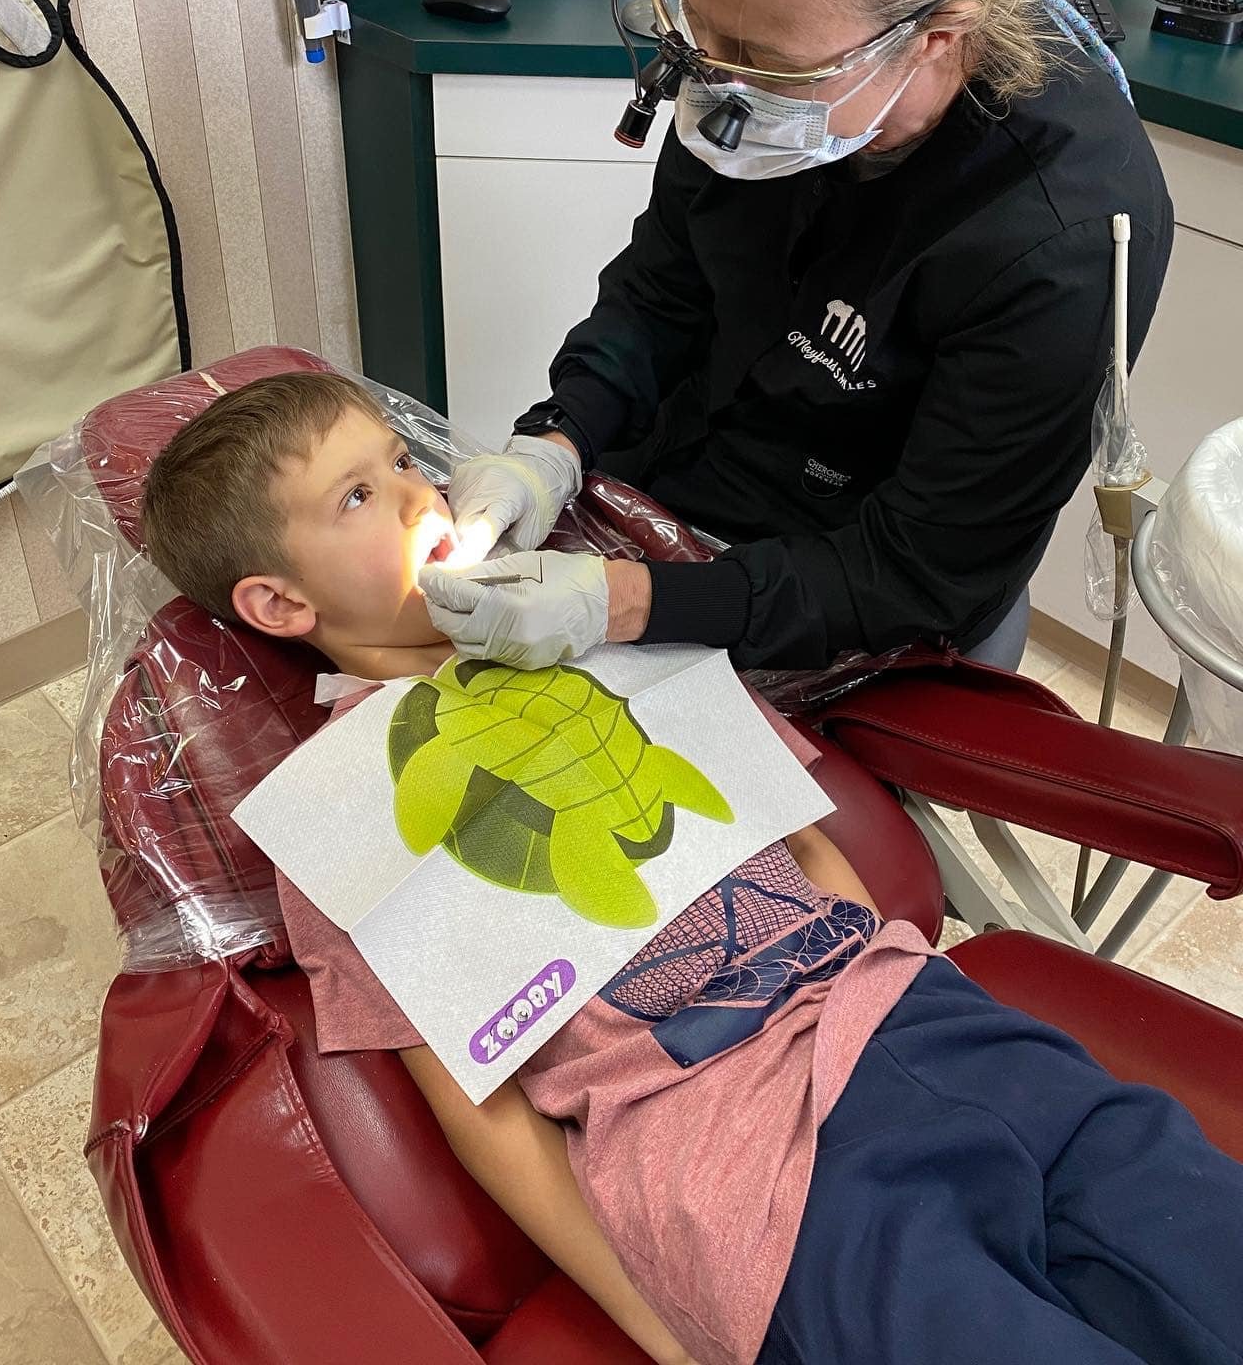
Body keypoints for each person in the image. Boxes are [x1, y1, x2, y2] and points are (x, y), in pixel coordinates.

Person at [141, 371, 1243, 1365]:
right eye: (357, 497)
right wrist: (655, 1323)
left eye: (400, 461)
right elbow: (482, 1110)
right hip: (760, 1181)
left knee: (1195, 1229)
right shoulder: (345, 815)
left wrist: (885, 981)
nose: (421, 496)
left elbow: (803, 839)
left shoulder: (603, 624)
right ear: (282, 606)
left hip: (938, 1030)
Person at [418, 0, 1173, 680]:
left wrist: (629, 602)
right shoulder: (753, 66)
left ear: (937, 37)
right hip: (693, 476)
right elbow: (665, 289)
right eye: (699, 19)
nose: (715, 80)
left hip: (855, 588)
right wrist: (557, 440)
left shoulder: (1058, 237)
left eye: (762, 54)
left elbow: (919, 571)